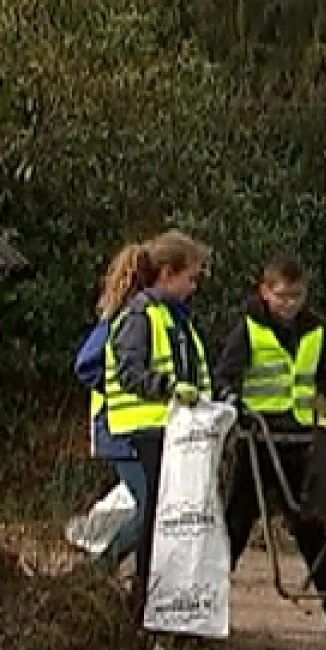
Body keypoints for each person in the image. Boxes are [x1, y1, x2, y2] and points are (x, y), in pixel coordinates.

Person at [215, 254, 326, 645]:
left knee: (309, 526)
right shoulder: (249, 330)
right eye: (282, 295)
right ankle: (206, 605)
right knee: (236, 525)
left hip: (297, 442)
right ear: (265, 292)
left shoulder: (314, 332)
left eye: (296, 295)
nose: (289, 303)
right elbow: (225, 377)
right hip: (258, 442)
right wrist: (235, 406)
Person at [100, 230, 215, 627]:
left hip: (168, 433)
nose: (194, 286)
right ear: (167, 274)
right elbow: (131, 371)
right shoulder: (140, 316)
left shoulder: (171, 318)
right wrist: (169, 389)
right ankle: (141, 608)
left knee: (162, 523)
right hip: (141, 430)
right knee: (152, 521)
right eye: (191, 278)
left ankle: (154, 606)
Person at [72, 260, 149, 569]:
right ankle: (102, 566)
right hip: (117, 428)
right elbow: (86, 364)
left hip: (131, 427)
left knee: (147, 506)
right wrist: (118, 387)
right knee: (149, 508)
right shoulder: (122, 320)